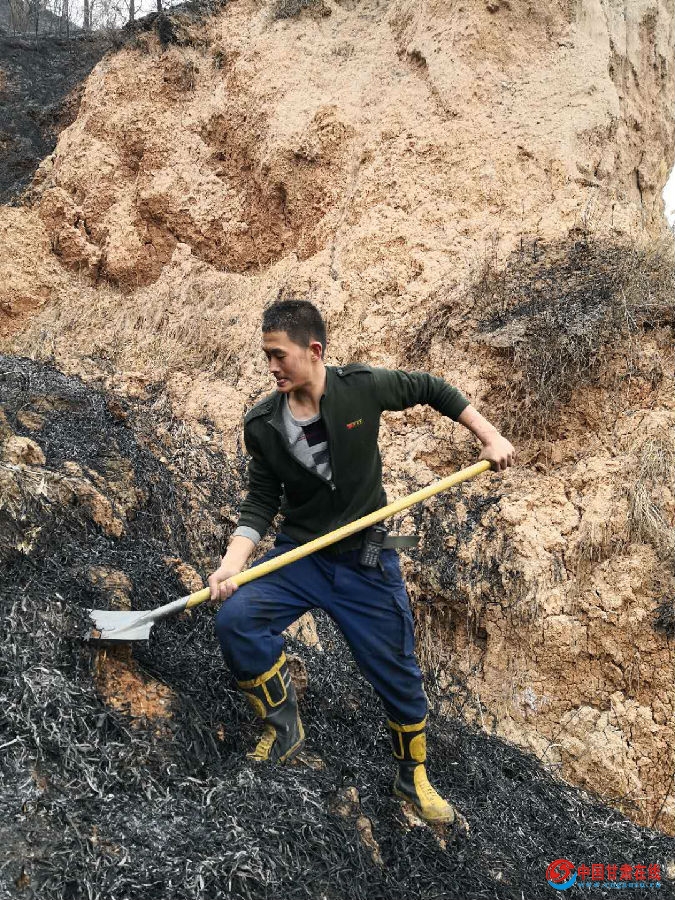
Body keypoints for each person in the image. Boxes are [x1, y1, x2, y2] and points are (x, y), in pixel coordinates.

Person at [209, 299, 515, 825]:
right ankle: (284, 730)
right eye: (266, 356)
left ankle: (412, 778)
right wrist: (232, 564)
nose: (272, 366)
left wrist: (489, 436)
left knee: (399, 673)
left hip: (368, 556)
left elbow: (432, 389)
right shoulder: (262, 424)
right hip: (301, 555)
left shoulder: (362, 387)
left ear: (314, 350)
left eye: (279, 355)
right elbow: (260, 502)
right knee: (236, 620)